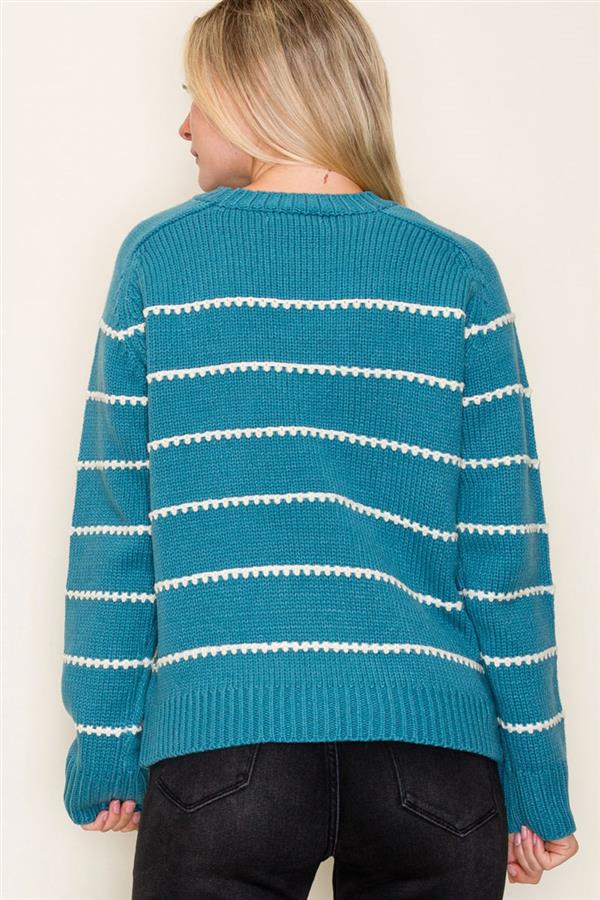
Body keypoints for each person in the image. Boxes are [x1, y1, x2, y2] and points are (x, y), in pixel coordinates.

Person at [60, 0, 579, 895]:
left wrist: (106, 744)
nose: (184, 126)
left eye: (198, 98)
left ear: (258, 95)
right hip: (434, 761)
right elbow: (505, 562)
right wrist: (538, 783)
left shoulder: (160, 263)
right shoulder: (456, 274)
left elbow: (116, 532)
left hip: (223, 745)